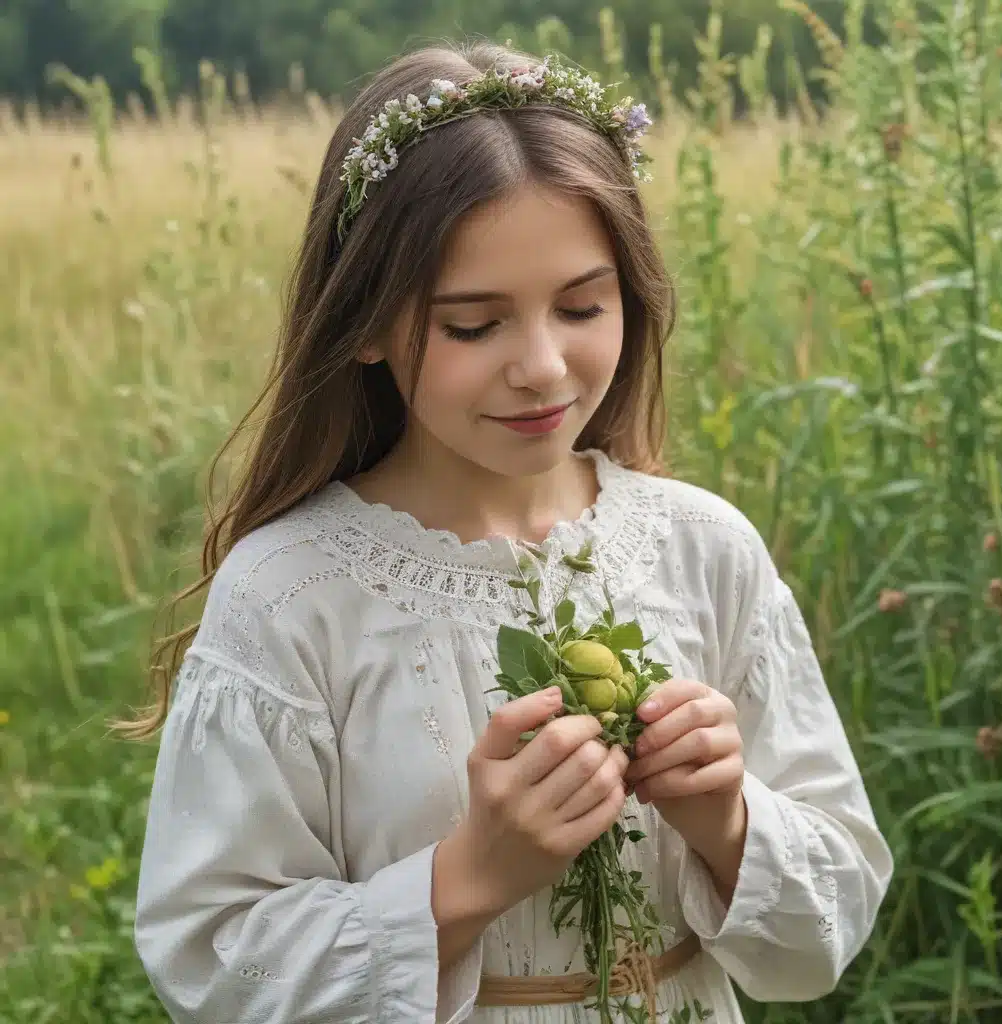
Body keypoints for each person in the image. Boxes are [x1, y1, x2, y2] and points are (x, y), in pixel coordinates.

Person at [121, 40, 893, 1024]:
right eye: (474, 324)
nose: (541, 366)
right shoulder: (291, 591)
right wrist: (463, 879)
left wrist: (727, 820)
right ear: (364, 323)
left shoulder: (701, 547)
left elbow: (826, 929)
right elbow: (212, 962)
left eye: (580, 305)